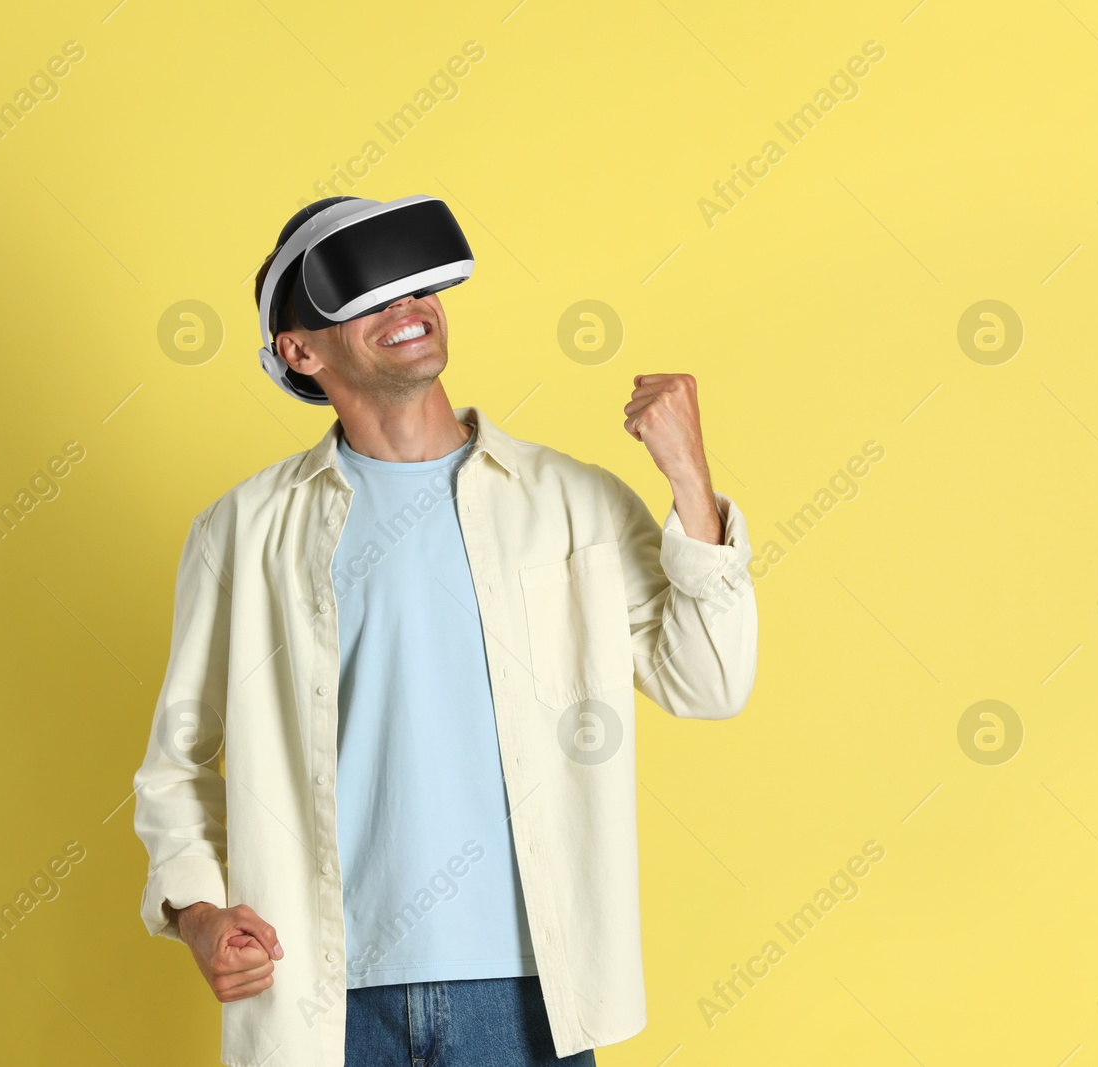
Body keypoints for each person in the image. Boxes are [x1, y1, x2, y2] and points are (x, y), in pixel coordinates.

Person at [132, 196, 758, 1067]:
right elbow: (177, 763)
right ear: (300, 349)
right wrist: (197, 913)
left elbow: (711, 681)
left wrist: (691, 479)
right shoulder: (242, 532)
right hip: (322, 1002)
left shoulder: (572, 504)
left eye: (420, 282)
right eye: (370, 294)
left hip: (530, 994)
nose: (410, 305)